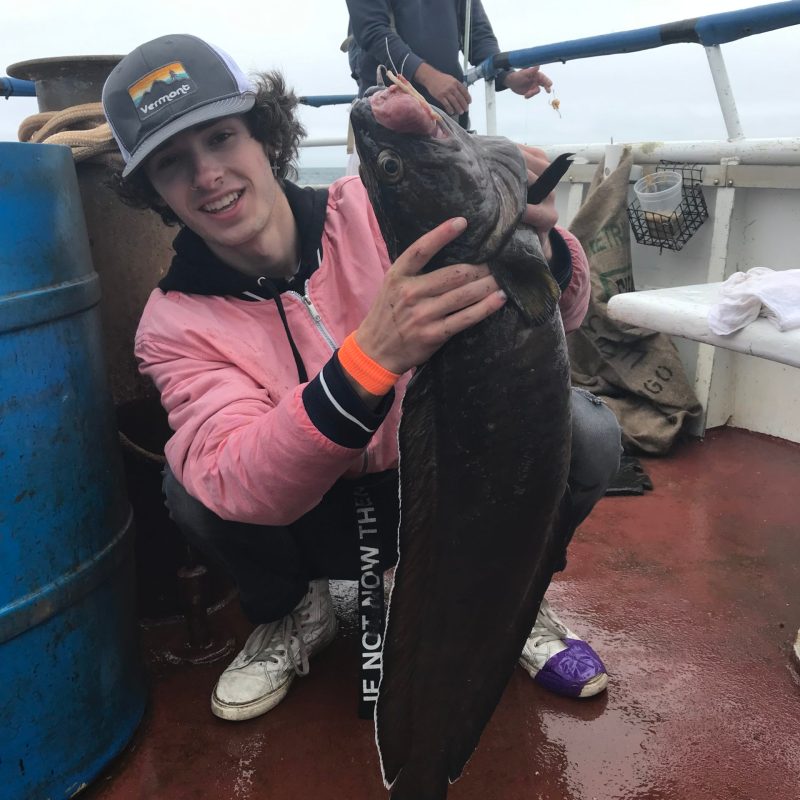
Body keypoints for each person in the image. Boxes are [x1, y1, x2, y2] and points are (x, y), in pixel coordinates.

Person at [101, 33, 620, 723]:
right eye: (172, 162)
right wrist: (368, 359)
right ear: (154, 191)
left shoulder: (370, 207)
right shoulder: (172, 323)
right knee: (191, 487)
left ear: (265, 136)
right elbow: (235, 475)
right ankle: (293, 612)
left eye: (221, 137)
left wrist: (543, 244)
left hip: (437, 482)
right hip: (310, 519)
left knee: (587, 434)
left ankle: (514, 598)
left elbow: (570, 312)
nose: (207, 175)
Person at [345, 0, 552, 128]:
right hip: (386, 120)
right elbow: (372, 31)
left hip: (447, 120)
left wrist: (507, 75)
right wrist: (430, 77)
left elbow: (478, 36)